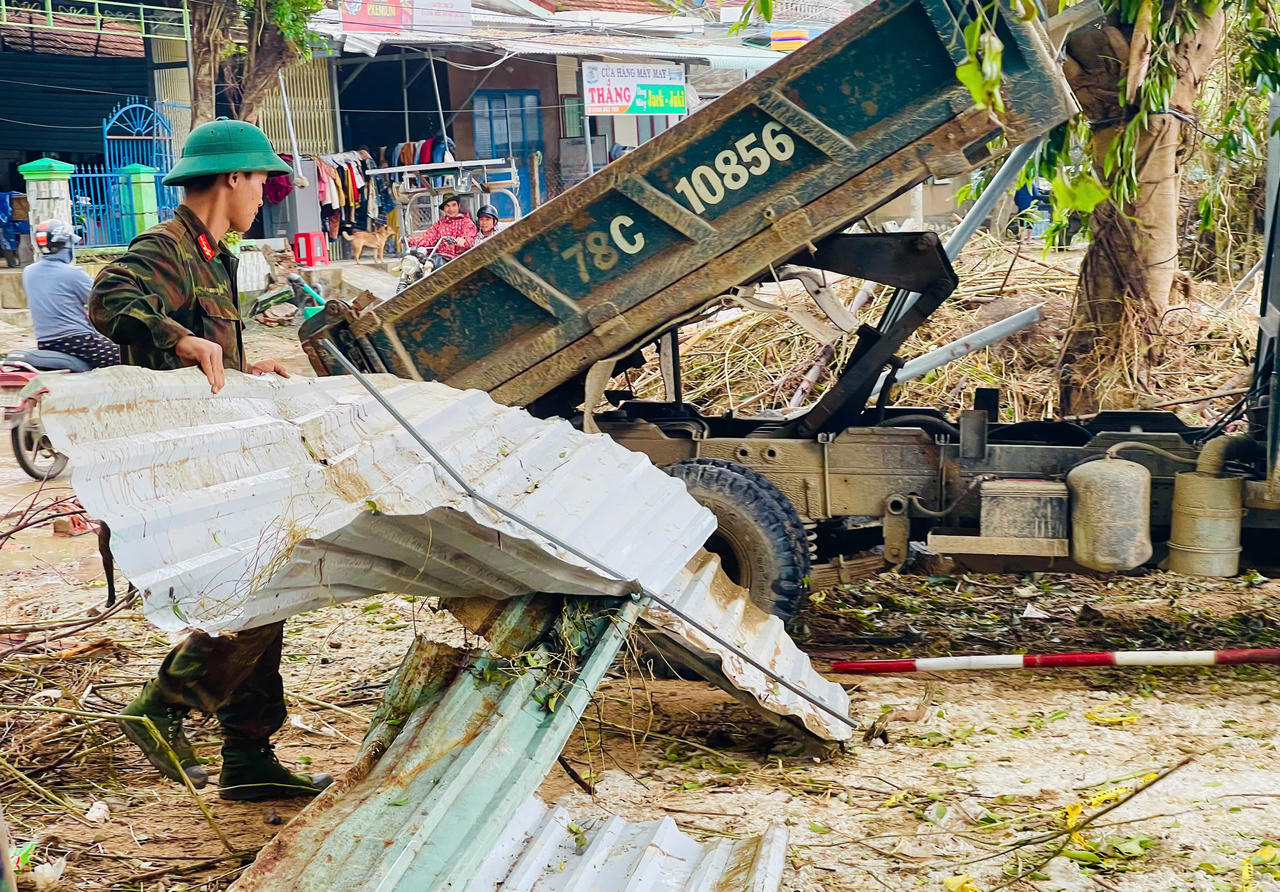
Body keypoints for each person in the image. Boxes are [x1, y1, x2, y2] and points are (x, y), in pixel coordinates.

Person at [90, 118, 332, 802]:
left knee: (269, 589)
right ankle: (164, 705)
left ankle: (248, 756)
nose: (264, 196)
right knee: (259, 589)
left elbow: (211, 365)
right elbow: (108, 299)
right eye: (261, 182)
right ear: (232, 178)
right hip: (178, 465)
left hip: (216, 454)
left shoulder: (216, 258)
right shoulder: (166, 247)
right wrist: (180, 338)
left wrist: (250, 373)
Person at [23, 220, 121, 367]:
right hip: (78, 342)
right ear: (66, 245)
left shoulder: (28, 272)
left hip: (45, 343)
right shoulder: (73, 273)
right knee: (131, 355)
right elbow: (104, 302)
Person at [407, 193, 477, 262]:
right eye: (447, 206)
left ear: (458, 206)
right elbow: (428, 239)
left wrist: (463, 241)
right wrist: (409, 241)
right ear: (444, 208)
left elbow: (470, 238)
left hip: (460, 260)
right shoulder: (439, 224)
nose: (451, 209)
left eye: (454, 205)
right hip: (441, 259)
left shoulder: (466, 222)